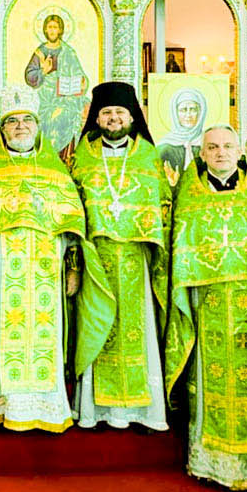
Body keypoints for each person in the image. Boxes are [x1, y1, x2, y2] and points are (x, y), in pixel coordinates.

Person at [0, 84, 108, 432]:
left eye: (26, 121)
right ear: (2, 129)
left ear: (37, 126)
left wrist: (73, 269)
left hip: (45, 268)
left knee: (44, 335)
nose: (20, 127)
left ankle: (43, 409)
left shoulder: (56, 173)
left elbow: (73, 228)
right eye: (12, 121)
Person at [165, 125, 247, 492]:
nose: (220, 152)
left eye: (227, 146)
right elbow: (177, 253)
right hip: (210, 306)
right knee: (210, 380)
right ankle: (214, 464)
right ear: (202, 154)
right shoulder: (188, 199)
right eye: (212, 147)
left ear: (239, 152)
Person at [69, 82, 170, 432]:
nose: (114, 119)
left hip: (136, 259)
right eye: (107, 113)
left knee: (138, 331)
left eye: (120, 113)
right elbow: (72, 210)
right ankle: (94, 410)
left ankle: (143, 412)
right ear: (97, 119)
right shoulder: (82, 157)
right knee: (97, 326)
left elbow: (164, 205)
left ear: (132, 117)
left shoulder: (148, 157)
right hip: (95, 259)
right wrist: (74, 263)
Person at [23, 14, 89, 155]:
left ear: (60, 30)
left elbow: (79, 74)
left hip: (66, 97)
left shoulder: (68, 52)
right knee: (47, 118)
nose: (52, 31)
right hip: (44, 98)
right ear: (45, 30)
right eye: (50, 27)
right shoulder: (40, 52)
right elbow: (29, 76)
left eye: (55, 27)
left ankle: (65, 157)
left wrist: (82, 83)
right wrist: (43, 71)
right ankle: (46, 155)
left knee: (64, 115)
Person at [156, 86, 207, 185]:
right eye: (183, 110)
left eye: (193, 109)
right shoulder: (164, 149)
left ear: (201, 113)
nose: (188, 115)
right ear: (175, 113)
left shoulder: (209, 145)